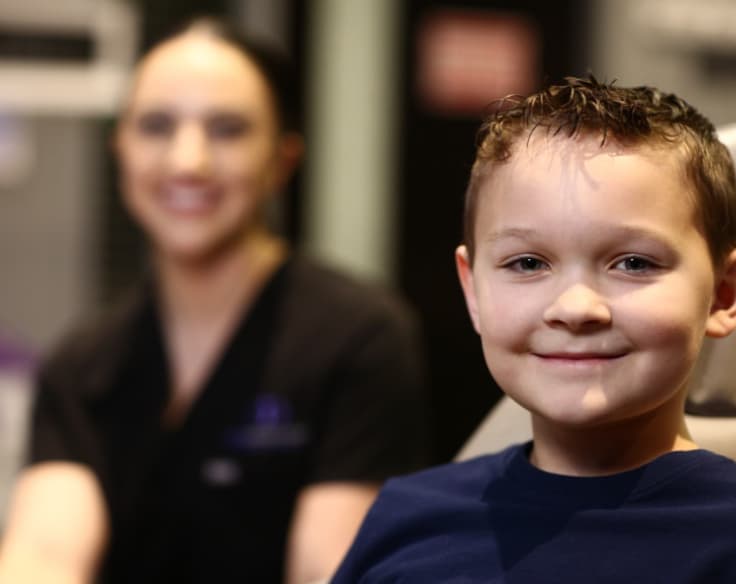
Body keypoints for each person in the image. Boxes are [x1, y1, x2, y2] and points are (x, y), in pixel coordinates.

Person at [331, 76, 736, 582]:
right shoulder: (407, 518)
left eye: (635, 263)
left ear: (724, 294)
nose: (575, 308)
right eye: (528, 263)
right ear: (473, 292)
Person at [0, 17, 427, 584]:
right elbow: (45, 556)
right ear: (120, 150)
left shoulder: (359, 338)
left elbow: (328, 571)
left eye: (227, 129)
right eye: (156, 126)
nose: (188, 161)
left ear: (283, 159)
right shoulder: (82, 365)